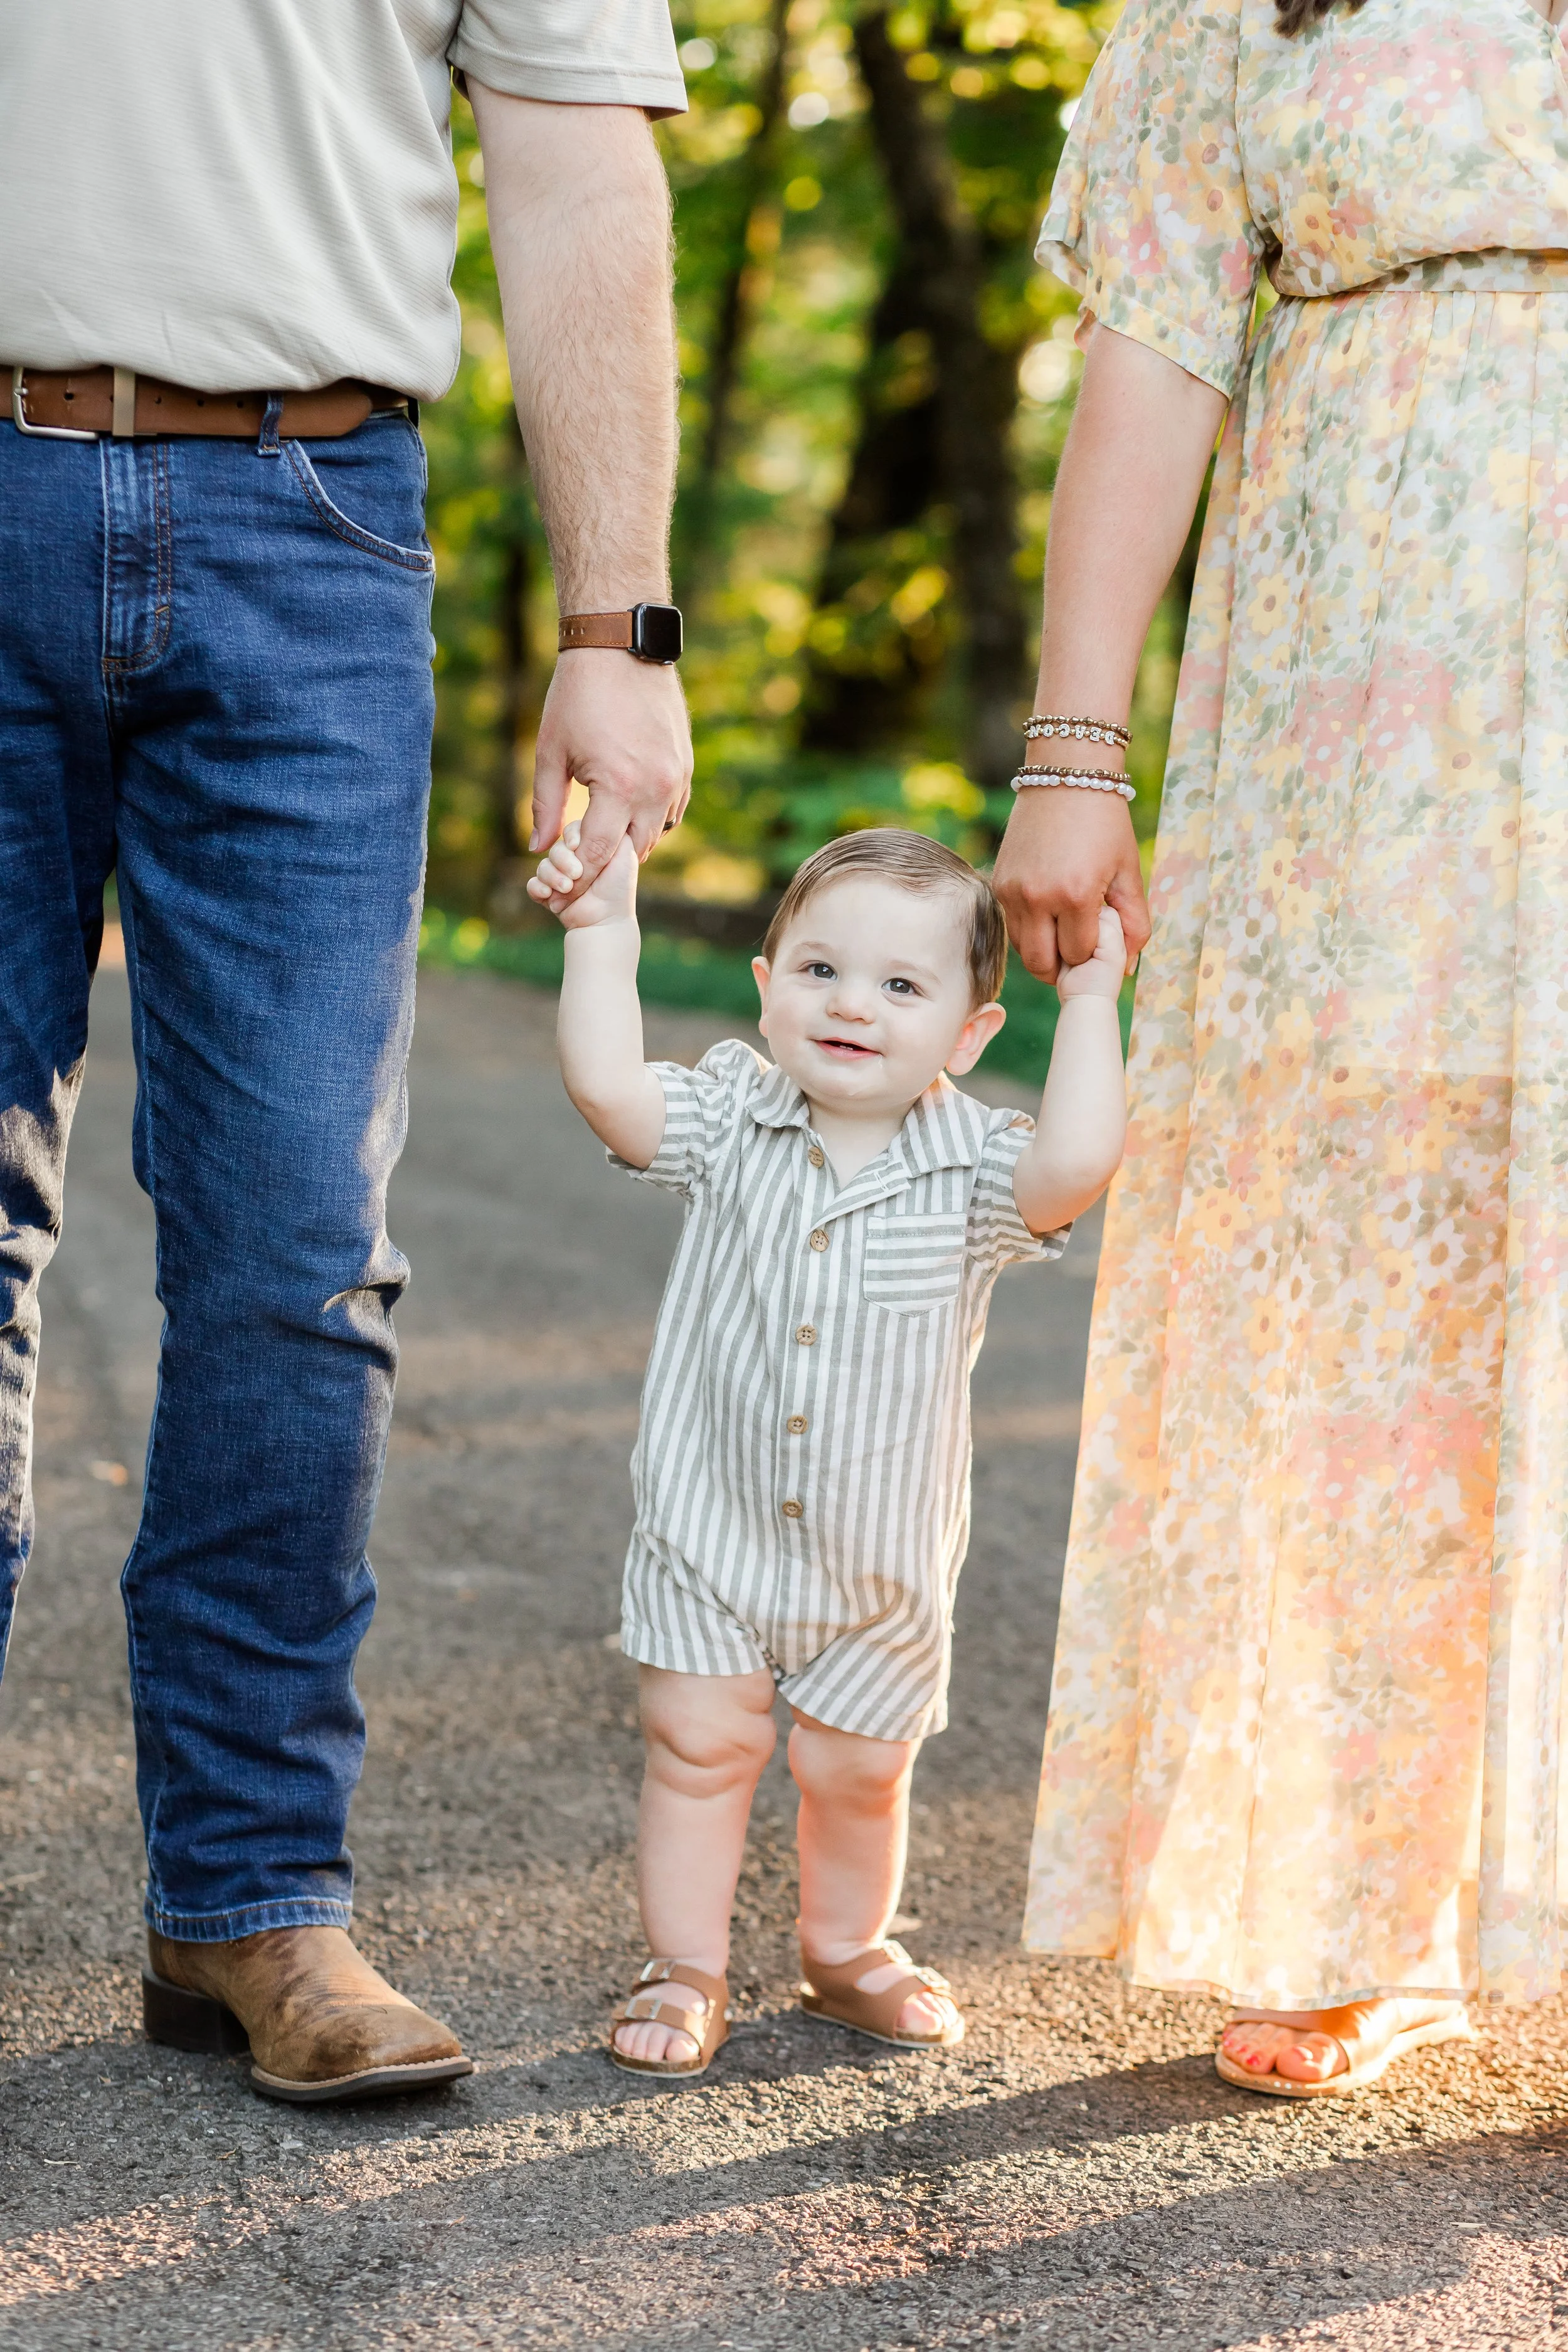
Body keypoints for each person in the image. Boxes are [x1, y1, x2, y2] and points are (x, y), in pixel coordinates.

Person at [0, 9, 692, 2103]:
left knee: (299, 1246)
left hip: (310, 524)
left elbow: (580, 176)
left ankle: (252, 1896)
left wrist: (619, 630)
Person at [992, 0, 1568, 2095]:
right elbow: (1152, 337)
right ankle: (1369, 1900)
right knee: (1371, 1282)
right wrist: (1076, 744)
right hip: (1364, 687)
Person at [526, 823, 1126, 2075]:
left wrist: (1087, 1002)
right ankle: (682, 1963)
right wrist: (603, 931)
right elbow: (610, 1090)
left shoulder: (975, 1167)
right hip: (710, 1533)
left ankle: (845, 1949)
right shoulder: (734, 1115)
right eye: (820, 971)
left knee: (856, 1770)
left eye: (902, 988)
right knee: (699, 1751)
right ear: (766, 987)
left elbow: (1077, 1162)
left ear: (968, 1033)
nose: (852, 1005)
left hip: (879, 1566)